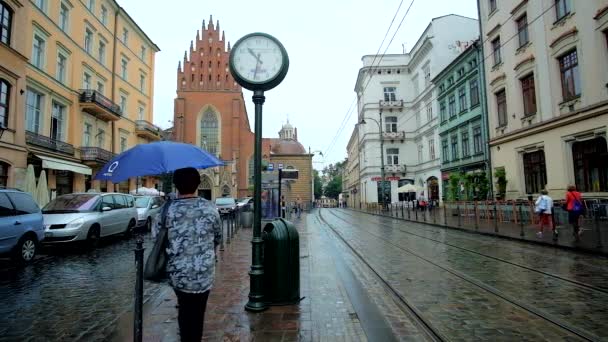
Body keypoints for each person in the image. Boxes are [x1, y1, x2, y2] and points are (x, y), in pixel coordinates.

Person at [152, 167, 221, 342]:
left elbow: (156, 238)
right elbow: (218, 236)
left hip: (178, 273)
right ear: (198, 184)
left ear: (175, 185)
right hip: (204, 272)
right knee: (198, 311)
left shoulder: (165, 211)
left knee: (184, 308)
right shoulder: (210, 208)